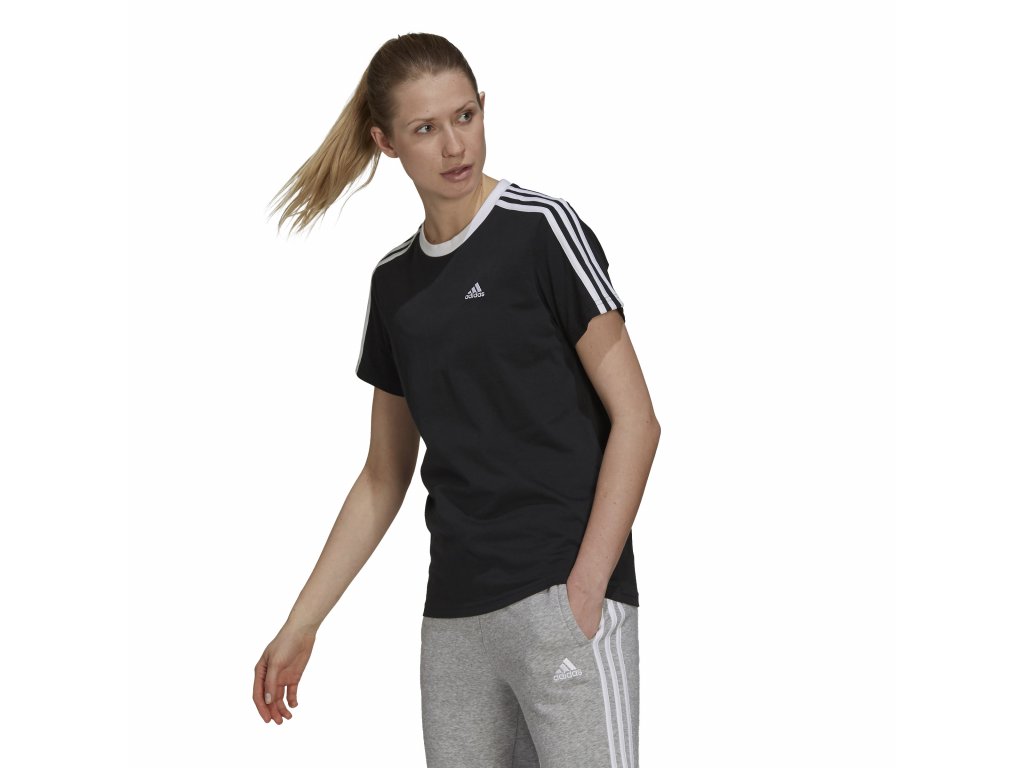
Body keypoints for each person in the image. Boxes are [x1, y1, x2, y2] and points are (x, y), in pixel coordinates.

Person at [252, 32, 661, 768]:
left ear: (483, 109)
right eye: (425, 128)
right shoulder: (395, 285)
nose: (453, 145)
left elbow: (637, 419)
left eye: (465, 116)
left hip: (562, 599)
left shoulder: (541, 231)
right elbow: (383, 475)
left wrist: (585, 592)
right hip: (454, 625)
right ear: (385, 143)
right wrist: (301, 623)